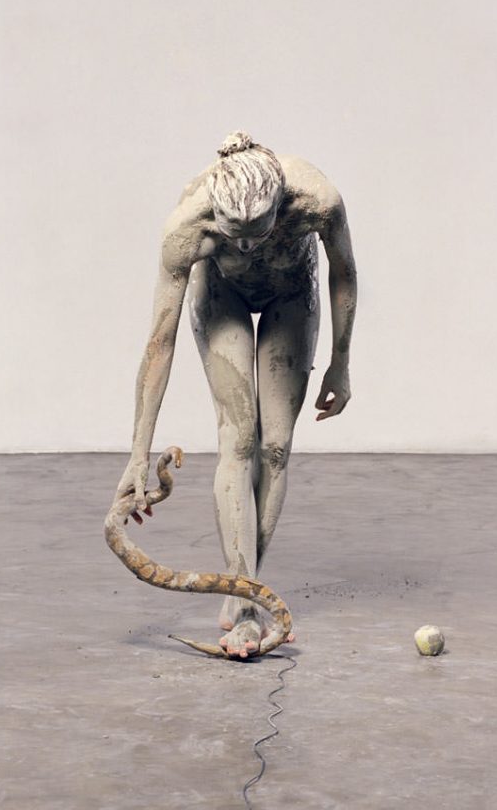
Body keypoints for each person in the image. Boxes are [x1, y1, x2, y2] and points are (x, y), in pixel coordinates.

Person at [113, 131, 357, 658]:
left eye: (257, 232)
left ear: (279, 206)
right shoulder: (188, 225)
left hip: (292, 292)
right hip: (221, 296)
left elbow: (344, 273)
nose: (245, 246)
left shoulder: (316, 200)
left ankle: (244, 589)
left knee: (276, 447)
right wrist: (137, 454)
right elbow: (159, 341)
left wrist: (340, 362)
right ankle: (247, 607)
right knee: (238, 440)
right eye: (233, 233)